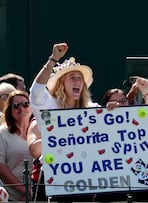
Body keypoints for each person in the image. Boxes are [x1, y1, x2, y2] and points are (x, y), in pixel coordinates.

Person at [28, 42, 98, 201]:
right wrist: (52, 60)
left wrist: (112, 110)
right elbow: (35, 93)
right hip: (55, 176)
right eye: (72, 77)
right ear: (61, 83)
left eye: (80, 78)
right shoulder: (49, 105)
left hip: (84, 178)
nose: (77, 82)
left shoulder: (91, 108)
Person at [0, 90, 34, 201]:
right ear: (9, 110)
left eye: (26, 104)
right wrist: (24, 189)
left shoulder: (40, 130)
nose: (21, 108)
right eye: (16, 106)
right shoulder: (1, 133)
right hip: (12, 197)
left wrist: (34, 192)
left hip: (39, 194)